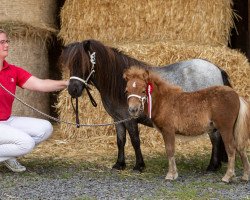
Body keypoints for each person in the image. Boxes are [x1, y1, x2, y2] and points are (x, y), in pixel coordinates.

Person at [0, 29, 68, 172]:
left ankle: (7, 155)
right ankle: (8, 153)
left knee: (45, 128)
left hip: (6, 121)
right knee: (26, 143)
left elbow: (41, 84)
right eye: (1, 42)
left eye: (7, 41)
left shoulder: (13, 70)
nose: (6, 45)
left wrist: (67, 83)